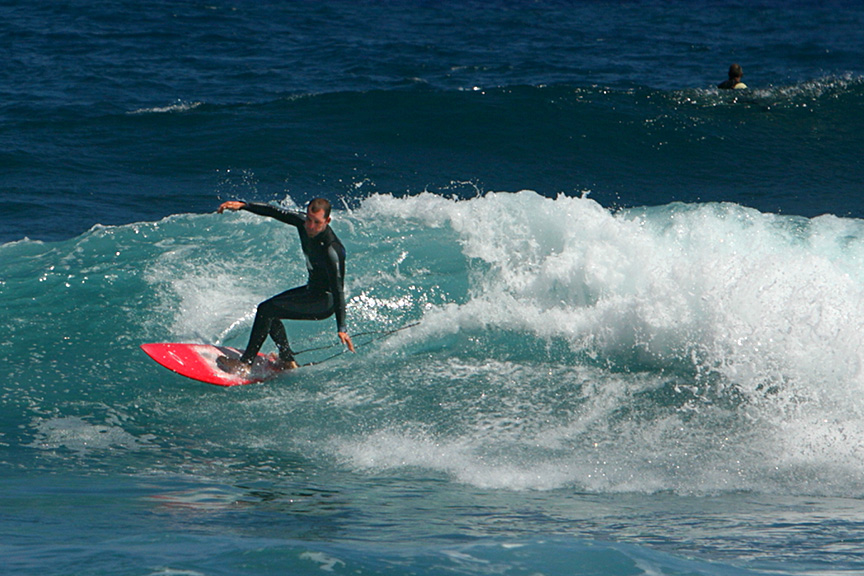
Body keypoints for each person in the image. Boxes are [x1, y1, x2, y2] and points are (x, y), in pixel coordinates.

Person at [215, 198, 355, 375]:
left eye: (317, 222)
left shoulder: (332, 250)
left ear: (327, 221)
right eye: (309, 219)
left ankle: (245, 365)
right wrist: (245, 205)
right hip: (311, 291)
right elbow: (275, 211)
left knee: (266, 309)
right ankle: (287, 360)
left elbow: (338, 289)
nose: (310, 226)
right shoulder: (303, 223)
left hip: (324, 302)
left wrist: (342, 328)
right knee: (272, 310)